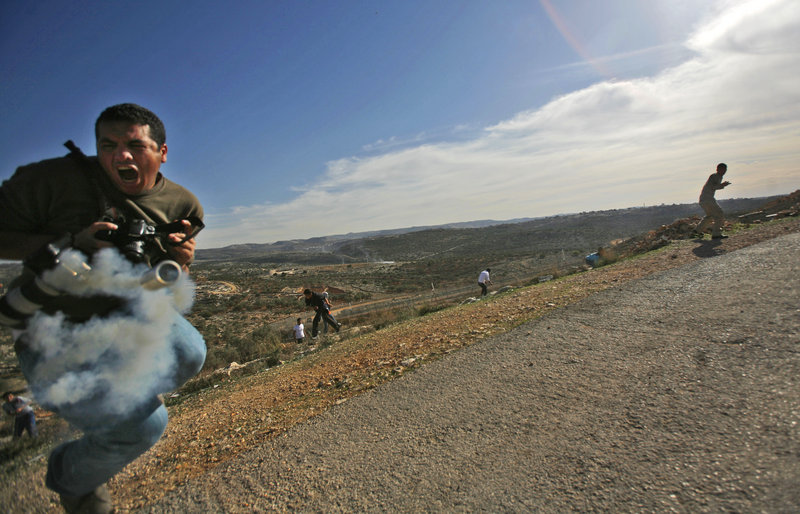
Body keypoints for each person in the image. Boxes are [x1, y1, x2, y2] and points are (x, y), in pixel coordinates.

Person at [0, 103, 206, 513]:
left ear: (162, 152)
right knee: (145, 427)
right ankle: (69, 475)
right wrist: (66, 244)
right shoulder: (50, 181)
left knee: (190, 352)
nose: (121, 156)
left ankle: (113, 410)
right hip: (53, 328)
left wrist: (181, 259)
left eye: (135, 145)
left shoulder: (183, 204)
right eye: (107, 145)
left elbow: (165, 274)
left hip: (124, 319)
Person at [694, 163, 731, 239]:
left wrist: (721, 185)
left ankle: (697, 231)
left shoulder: (718, 177)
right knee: (719, 214)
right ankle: (716, 234)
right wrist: (722, 185)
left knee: (710, 216)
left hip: (703, 199)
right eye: (723, 169)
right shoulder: (715, 176)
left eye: (725, 170)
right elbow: (713, 186)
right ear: (718, 169)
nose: (724, 171)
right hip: (708, 199)